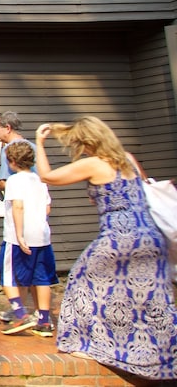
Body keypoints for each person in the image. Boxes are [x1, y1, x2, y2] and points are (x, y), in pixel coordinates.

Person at [35, 116, 176, 380]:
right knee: (149, 298)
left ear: (88, 141)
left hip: (120, 237)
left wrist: (40, 143)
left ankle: (88, 345)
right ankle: (160, 359)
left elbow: (47, 176)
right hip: (151, 237)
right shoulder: (128, 159)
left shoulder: (94, 163)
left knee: (81, 280)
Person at [0, 141, 58, 336]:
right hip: (42, 236)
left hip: (17, 237)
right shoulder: (41, 180)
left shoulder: (14, 181)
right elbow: (47, 208)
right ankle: (44, 321)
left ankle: (21, 314)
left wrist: (20, 235)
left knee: (7, 276)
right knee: (41, 278)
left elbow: (18, 206)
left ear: (12, 161)